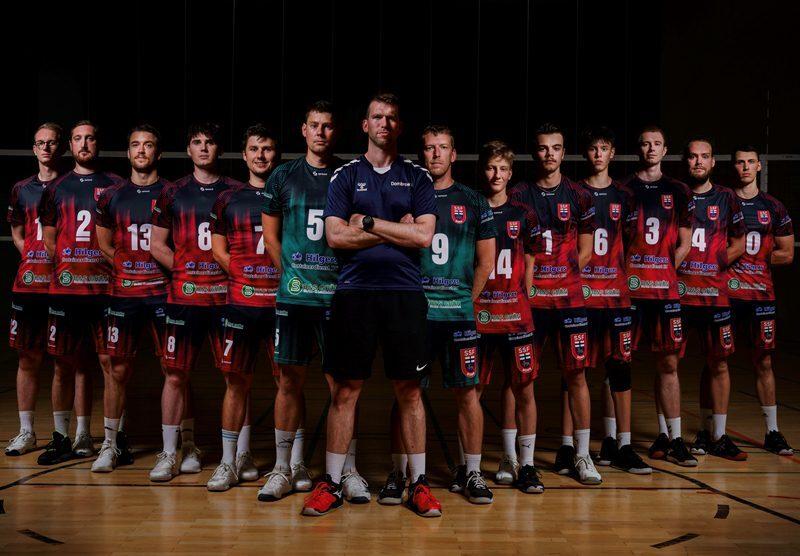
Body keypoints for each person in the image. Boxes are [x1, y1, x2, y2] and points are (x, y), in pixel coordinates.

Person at [302, 93, 439, 518]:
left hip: (404, 294)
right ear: (365, 125)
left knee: (410, 392)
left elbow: (423, 238)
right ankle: (331, 483)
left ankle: (418, 483)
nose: (385, 123)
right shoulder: (345, 175)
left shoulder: (417, 177)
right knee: (346, 391)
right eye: (377, 117)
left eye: (392, 118)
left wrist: (366, 222)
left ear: (399, 126)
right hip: (355, 293)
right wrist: (397, 227)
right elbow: (335, 238)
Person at [379, 125, 496, 506]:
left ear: (453, 153)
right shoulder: (406, 196)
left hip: (458, 315)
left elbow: (486, 261)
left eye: (442, 147)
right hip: (416, 316)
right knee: (406, 393)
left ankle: (472, 471)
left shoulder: (474, 201)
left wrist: (465, 299)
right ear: (422, 153)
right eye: (429, 148)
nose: (435, 154)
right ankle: (402, 473)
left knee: (468, 394)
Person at [259, 102, 351, 501]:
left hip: (338, 299)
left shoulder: (350, 174)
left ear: (336, 131)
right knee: (288, 381)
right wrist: (292, 276)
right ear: (303, 130)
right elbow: (272, 238)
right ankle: (282, 467)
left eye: (328, 127)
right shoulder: (283, 175)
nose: (321, 133)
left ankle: (346, 470)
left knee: (342, 386)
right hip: (295, 299)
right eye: (314, 125)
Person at [149, 122, 242, 481]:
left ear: (219, 149)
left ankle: (240, 454)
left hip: (226, 299)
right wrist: (186, 272)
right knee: (175, 374)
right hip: (184, 299)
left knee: (236, 376)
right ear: (188, 149)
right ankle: (170, 453)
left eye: (210, 142)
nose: (204, 148)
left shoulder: (236, 191)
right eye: (196, 142)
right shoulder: (173, 192)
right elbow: (157, 244)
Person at [510, 123, 601, 485]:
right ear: (535, 152)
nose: (550, 154)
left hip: (569, 300)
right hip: (530, 302)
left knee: (577, 375)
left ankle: (582, 455)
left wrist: (564, 277)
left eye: (556, 148)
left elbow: (587, 248)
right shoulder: (518, 194)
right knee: (523, 380)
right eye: (543, 148)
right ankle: (524, 461)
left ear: (564, 153)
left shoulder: (579, 195)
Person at [37, 121, 121, 464]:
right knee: (64, 364)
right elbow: (49, 239)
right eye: (77, 138)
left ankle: (108, 439)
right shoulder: (56, 187)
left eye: (89, 137)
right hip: (67, 291)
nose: (83, 144)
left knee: (108, 364)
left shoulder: (116, 185)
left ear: (98, 142)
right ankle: (62, 436)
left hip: (106, 291)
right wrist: (70, 270)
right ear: (70, 145)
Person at [206, 124, 281, 490]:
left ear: (275, 153)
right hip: (240, 303)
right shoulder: (228, 198)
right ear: (245, 154)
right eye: (255, 149)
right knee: (236, 382)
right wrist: (243, 274)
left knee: (288, 383)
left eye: (267, 148)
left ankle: (289, 463)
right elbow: (218, 249)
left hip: (282, 303)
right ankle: (228, 461)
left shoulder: (286, 194)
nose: (261, 155)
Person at [92, 124, 170, 472]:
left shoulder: (172, 193)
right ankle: (110, 444)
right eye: (135, 145)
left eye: (148, 145)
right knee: (117, 369)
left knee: (175, 370)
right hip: (124, 295)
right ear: (127, 153)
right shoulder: (111, 196)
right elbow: (104, 245)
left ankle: (182, 443)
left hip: (162, 294)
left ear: (158, 152)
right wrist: (126, 269)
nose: (141, 151)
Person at [578, 127, 651, 474]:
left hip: (617, 297)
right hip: (584, 296)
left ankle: (622, 443)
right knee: (578, 372)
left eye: (603, 148)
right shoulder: (576, 194)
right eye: (592, 148)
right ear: (586, 154)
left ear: (612, 153)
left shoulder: (624, 195)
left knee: (619, 368)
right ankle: (581, 445)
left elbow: (632, 242)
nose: (597, 154)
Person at [474, 140, 544, 494]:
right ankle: (479, 463)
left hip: (516, 315)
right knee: (475, 389)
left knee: (523, 387)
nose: (496, 174)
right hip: (481, 314)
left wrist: (526, 293)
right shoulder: (471, 208)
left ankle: (525, 463)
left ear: (511, 173)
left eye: (502, 169)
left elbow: (530, 258)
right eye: (490, 167)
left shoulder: (523, 214)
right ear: (482, 170)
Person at [625, 126, 696, 467]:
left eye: (656, 144)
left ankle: (674, 437)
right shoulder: (624, 188)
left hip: (664, 290)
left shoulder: (678, 190)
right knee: (620, 361)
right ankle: (617, 440)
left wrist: (665, 270)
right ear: (638, 148)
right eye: (645, 143)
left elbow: (684, 242)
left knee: (668, 362)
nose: (650, 149)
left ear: (665, 150)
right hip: (629, 292)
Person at [679, 137, 746, 460]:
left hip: (714, 296)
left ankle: (716, 435)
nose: (698, 162)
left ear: (713, 162)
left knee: (717, 362)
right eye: (693, 157)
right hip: (678, 295)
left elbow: (741, 242)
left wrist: (714, 265)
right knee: (669, 363)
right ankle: (671, 437)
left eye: (704, 157)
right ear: (685, 161)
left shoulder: (727, 198)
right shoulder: (676, 194)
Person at [728, 145, 794, 455]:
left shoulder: (774, 207)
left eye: (750, 162)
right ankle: (709, 429)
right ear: (733, 167)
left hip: (761, 295)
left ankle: (772, 431)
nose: (745, 167)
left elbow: (787, 253)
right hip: (727, 294)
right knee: (717, 360)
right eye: (740, 162)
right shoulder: (723, 202)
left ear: (759, 167)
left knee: (764, 361)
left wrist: (758, 256)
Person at [5, 123, 62, 456]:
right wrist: (33, 256)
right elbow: (16, 232)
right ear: (33, 148)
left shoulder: (70, 188)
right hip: (29, 285)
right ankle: (26, 431)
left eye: (52, 143)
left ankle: (62, 433)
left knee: (64, 360)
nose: (46, 148)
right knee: (28, 358)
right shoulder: (21, 189)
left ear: (60, 148)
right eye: (41, 143)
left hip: (64, 285)